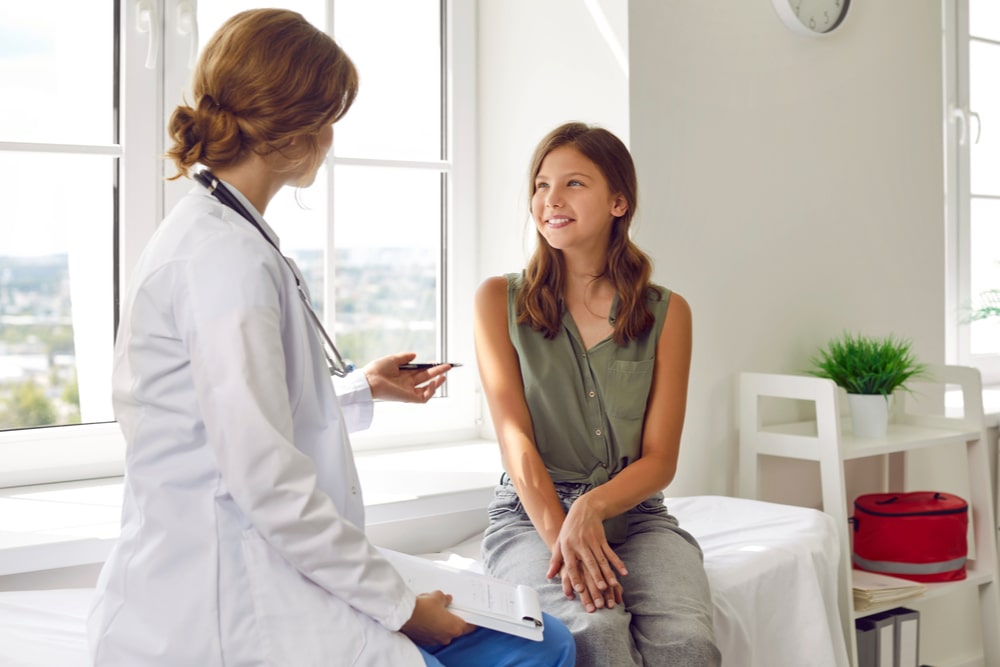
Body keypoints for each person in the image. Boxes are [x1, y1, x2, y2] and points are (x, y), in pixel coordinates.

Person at [87, 10, 574, 667]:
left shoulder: (221, 231)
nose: (332, 138)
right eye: (330, 120)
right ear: (294, 132)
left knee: (548, 635)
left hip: (253, 556)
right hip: (229, 597)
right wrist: (405, 610)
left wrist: (361, 390)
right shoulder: (223, 261)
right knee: (539, 650)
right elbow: (266, 479)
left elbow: (227, 422)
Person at [473, 121, 722, 666]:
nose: (550, 200)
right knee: (594, 634)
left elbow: (660, 460)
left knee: (689, 645)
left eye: (573, 184)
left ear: (618, 202)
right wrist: (564, 532)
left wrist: (593, 507)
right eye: (541, 185)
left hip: (637, 515)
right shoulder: (498, 301)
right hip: (530, 515)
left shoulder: (666, 313)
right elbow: (515, 439)